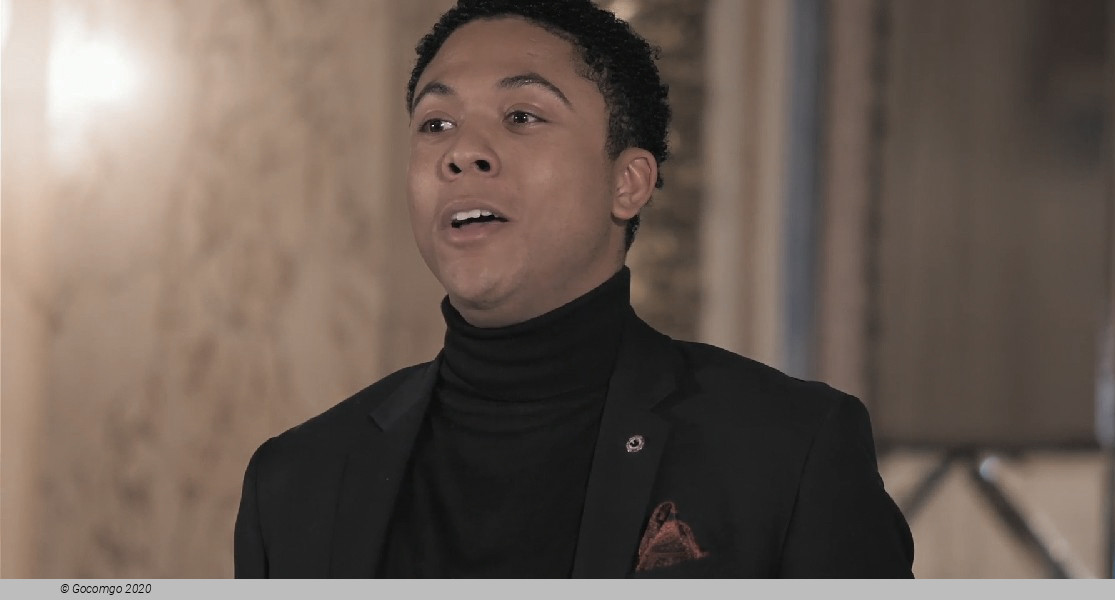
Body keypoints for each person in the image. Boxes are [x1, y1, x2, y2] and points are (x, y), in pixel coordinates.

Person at [234, 0, 914, 578]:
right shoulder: (297, 479)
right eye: (435, 123)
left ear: (629, 183)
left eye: (522, 116)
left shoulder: (787, 449)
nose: (462, 151)